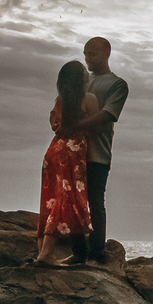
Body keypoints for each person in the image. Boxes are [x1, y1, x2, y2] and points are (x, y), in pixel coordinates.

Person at [69, 36, 129, 264]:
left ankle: (96, 251)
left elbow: (107, 115)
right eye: (85, 54)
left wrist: (75, 125)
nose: (87, 59)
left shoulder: (117, 84)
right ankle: (78, 252)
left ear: (106, 54)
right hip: (74, 152)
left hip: (98, 153)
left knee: (95, 201)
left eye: (92, 54)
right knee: (74, 201)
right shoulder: (83, 81)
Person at [35, 61, 98, 265]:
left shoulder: (60, 100)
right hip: (73, 152)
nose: (87, 73)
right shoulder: (89, 99)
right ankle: (46, 255)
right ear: (79, 79)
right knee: (68, 200)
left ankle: (44, 252)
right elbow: (96, 127)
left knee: (51, 199)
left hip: (54, 150)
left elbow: (54, 124)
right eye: (84, 71)